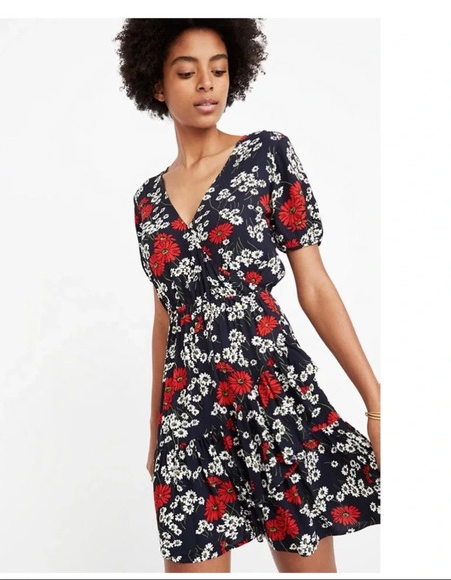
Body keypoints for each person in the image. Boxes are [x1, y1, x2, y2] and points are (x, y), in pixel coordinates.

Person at [114, 19, 381, 574]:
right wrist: (156, 427)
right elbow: (166, 318)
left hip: (273, 397)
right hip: (190, 415)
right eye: (186, 72)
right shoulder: (146, 202)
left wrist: (376, 403)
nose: (206, 84)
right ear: (157, 84)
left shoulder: (267, 156)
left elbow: (314, 285)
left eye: (218, 70)